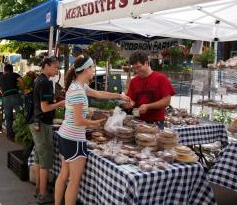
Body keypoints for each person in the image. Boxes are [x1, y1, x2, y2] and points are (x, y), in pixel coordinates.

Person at [55, 54, 128, 205]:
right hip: (73, 139)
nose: (94, 70)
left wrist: (119, 96)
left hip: (65, 135)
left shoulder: (78, 85)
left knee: (64, 174)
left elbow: (98, 93)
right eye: (92, 67)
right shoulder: (78, 91)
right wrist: (97, 124)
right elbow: (78, 120)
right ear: (86, 69)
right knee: (74, 181)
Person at [30, 56, 65, 204]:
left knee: (38, 158)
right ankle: (43, 195)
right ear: (47, 65)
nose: (57, 70)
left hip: (36, 123)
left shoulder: (39, 80)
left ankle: (39, 189)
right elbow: (45, 108)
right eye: (56, 67)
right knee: (44, 161)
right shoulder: (45, 82)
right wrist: (61, 103)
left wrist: (55, 100)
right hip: (42, 124)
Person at [124, 51, 176, 128]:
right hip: (137, 121)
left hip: (155, 122)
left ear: (146, 63)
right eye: (134, 68)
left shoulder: (161, 78)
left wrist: (148, 106)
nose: (136, 71)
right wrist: (130, 103)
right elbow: (133, 101)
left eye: (138, 67)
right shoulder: (134, 81)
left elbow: (166, 102)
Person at [0, 64, 22, 139]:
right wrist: (22, 90)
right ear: (12, 69)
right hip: (15, 95)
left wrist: (2, 92)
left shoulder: (1, 77)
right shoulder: (15, 74)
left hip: (6, 98)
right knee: (20, 115)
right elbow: (22, 82)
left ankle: (10, 135)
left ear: (5, 70)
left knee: (8, 117)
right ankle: (21, 134)